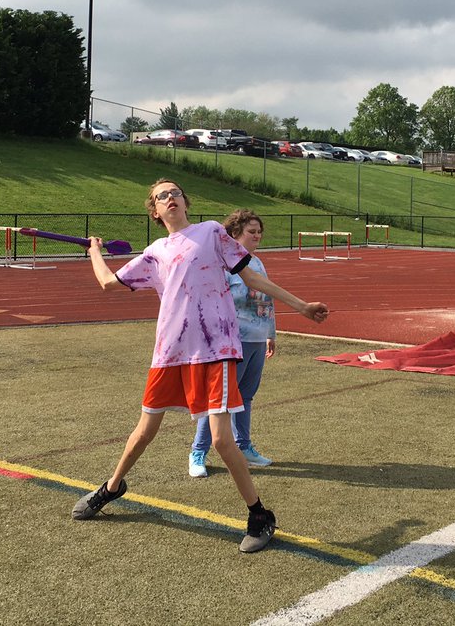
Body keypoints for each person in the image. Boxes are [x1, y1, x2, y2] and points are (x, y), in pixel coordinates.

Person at [70, 179, 329, 553]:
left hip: (215, 350)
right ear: (155, 212)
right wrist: (94, 250)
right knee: (143, 432)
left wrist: (301, 306)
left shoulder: (211, 233)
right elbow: (108, 282)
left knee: (223, 439)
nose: (170, 198)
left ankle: (259, 515)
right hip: (170, 353)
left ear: (185, 202)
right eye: (162, 196)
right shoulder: (155, 252)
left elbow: (251, 276)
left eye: (175, 193)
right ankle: (112, 487)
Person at [188, 209, 276, 478]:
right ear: (235, 234)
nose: (257, 236)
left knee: (246, 397)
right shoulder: (224, 265)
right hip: (232, 343)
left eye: (259, 231)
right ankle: (198, 451)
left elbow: (266, 301)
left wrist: (271, 333)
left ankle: (244, 446)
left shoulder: (258, 263)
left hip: (256, 340)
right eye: (252, 231)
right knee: (219, 402)